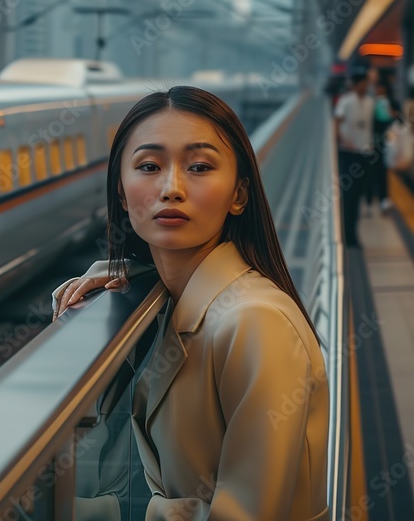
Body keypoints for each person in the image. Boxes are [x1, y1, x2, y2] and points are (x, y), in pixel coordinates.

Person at [52, 86, 329, 520]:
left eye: (199, 167)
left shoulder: (255, 322)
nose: (171, 188)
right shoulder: (175, 299)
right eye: (149, 166)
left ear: (239, 195)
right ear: (122, 194)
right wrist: (130, 272)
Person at [334, 68, 374, 246]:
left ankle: (352, 234)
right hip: (348, 154)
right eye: (362, 83)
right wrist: (343, 140)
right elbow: (337, 123)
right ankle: (347, 234)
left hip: (364, 154)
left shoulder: (370, 102)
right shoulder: (345, 101)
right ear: (356, 84)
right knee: (348, 195)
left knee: (358, 195)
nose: (365, 86)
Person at [367, 68, 402, 212]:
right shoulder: (370, 102)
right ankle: (370, 200)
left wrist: (393, 114)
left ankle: (382, 198)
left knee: (381, 171)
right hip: (373, 142)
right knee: (371, 172)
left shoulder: (391, 103)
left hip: (385, 143)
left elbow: (400, 120)